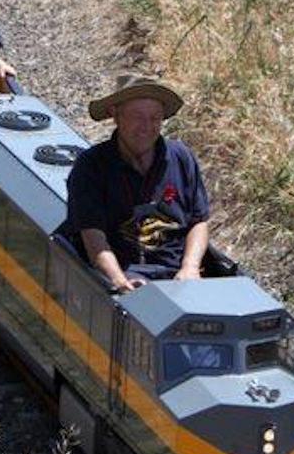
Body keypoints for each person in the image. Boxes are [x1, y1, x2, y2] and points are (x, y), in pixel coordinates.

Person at [64, 71, 210, 292]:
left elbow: (199, 221)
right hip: (126, 273)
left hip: (178, 275)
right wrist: (118, 280)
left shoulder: (181, 157)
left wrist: (190, 267)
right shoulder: (91, 165)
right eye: (137, 117)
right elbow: (93, 235)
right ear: (115, 115)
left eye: (154, 118)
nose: (147, 127)